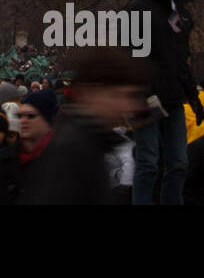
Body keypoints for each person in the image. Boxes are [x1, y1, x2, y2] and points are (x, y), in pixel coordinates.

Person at [126, 0, 204, 205]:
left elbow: (182, 58)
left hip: (173, 97)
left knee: (179, 163)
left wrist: (192, 94)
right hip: (143, 98)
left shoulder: (182, 11)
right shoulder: (138, 8)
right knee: (148, 162)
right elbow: (126, 54)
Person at [21, 49, 146, 205]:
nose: (127, 106)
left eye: (131, 96)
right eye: (117, 95)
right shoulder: (71, 151)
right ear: (89, 93)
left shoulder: (90, 142)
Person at [0, 89, 56, 205]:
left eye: (30, 116)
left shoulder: (63, 159)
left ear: (47, 120)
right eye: (20, 116)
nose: (23, 121)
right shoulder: (5, 157)